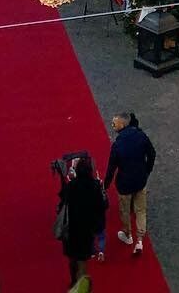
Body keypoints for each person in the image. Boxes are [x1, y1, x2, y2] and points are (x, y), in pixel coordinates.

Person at [104, 111, 155, 256]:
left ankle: (127, 234)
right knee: (141, 210)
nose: (112, 125)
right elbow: (152, 154)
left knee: (125, 211)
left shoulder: (118, 145)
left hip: (124, 184)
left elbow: (111, 168)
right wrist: (146, 171)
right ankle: (140, 240)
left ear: (122, 125)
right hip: (140, 180)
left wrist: (105, 185)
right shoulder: (141, 136)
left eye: (114, 123)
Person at [59, 155, 106, 289]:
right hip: (86, 230)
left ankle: (74, 281)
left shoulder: (71, 186)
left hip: (71, 229)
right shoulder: (94, 187)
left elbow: (63, 203)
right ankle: (82, 286)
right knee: (82, 261)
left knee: (72, 258)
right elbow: (102, 206)